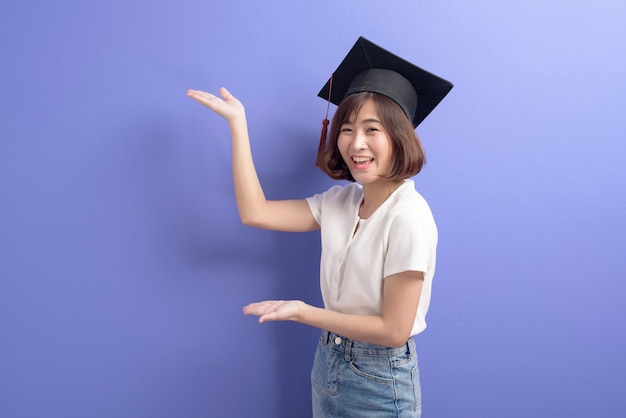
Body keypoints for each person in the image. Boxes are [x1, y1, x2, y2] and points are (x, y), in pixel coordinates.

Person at [187, 37, 452, 418]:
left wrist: (301, 312)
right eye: (346, 128)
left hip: (380, 378)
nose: (356, 143)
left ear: (400, 136)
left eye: (372, 129)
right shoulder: (339, 202)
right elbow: (255, 212)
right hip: (328, 362)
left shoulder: (409, 215)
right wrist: (238, 124)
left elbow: (395, 330)